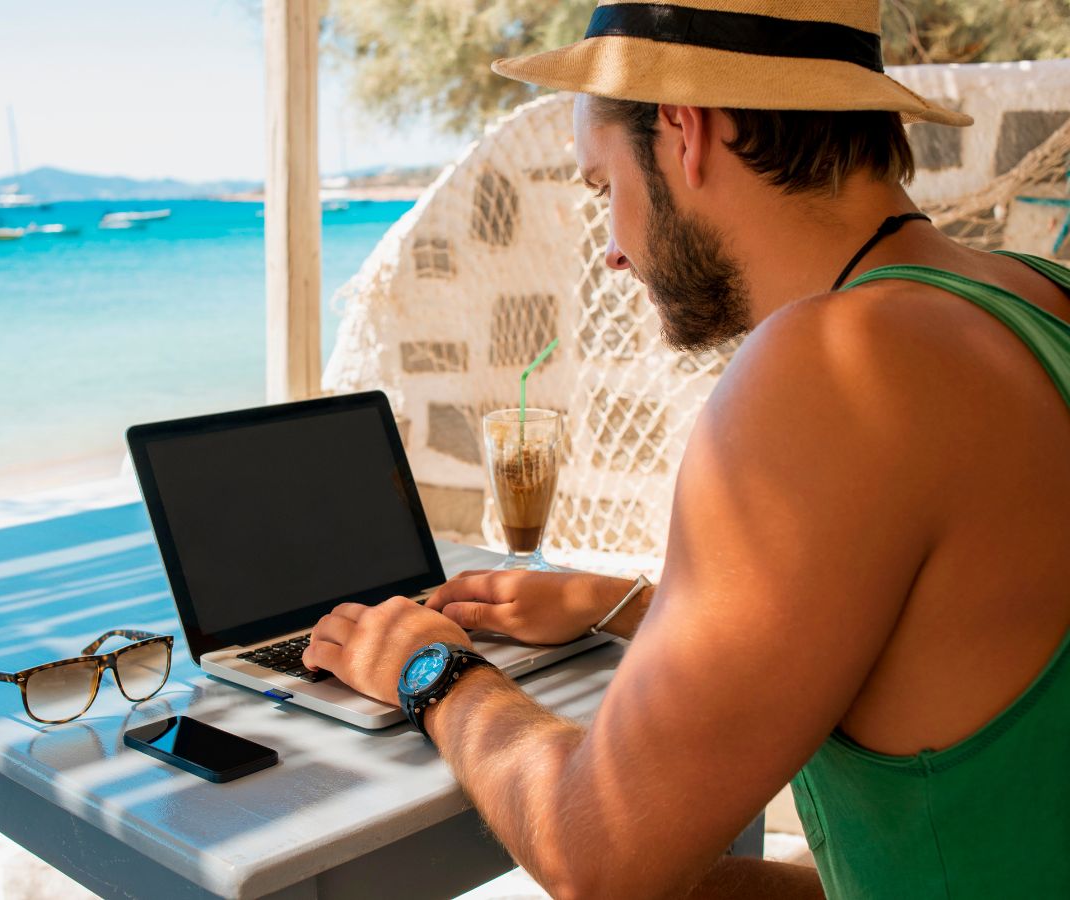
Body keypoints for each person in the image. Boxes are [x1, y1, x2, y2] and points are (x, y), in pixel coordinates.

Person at [303, 1, 1070, 896]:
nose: (615, 255)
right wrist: (622, 604)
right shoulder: (1034, 298)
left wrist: (429, 668)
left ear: (684, 128)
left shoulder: (838, 364)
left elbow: (598, 854)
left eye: (604, 188)